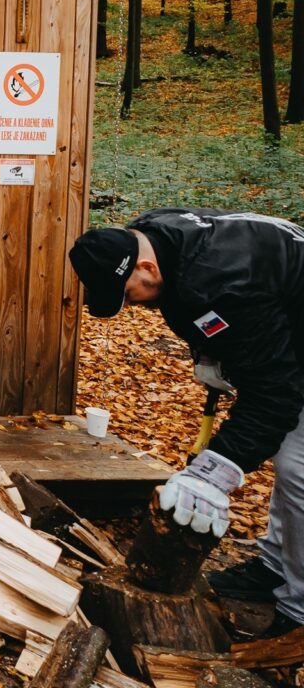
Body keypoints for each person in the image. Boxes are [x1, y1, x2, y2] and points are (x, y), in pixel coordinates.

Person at [69, 210, 304, 636]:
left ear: (146, 267)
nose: (133, 307)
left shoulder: (221, 283)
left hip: (293, 342)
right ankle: (275, 567)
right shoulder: (156, 236)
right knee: (291, 458)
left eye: (129, 294)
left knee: (298, 468)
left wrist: (215, 473)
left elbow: (275, 396)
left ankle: (299, 609)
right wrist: (212, 353)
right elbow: (203, 313)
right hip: (286, 328)